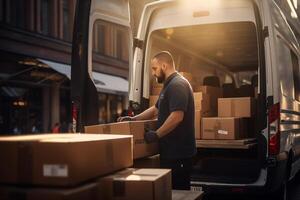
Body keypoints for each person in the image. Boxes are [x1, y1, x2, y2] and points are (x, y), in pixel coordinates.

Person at [118, 51, 196, 190]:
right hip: (171, 152)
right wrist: (133, 119)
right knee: (170, 192)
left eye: (155, 68)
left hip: (178, 154)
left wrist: (156, 134)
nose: (153, 73)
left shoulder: (177, 85)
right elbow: (155, 109)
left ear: (164, 66)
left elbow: (177, 116)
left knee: (178, 193)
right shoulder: (169, 84)